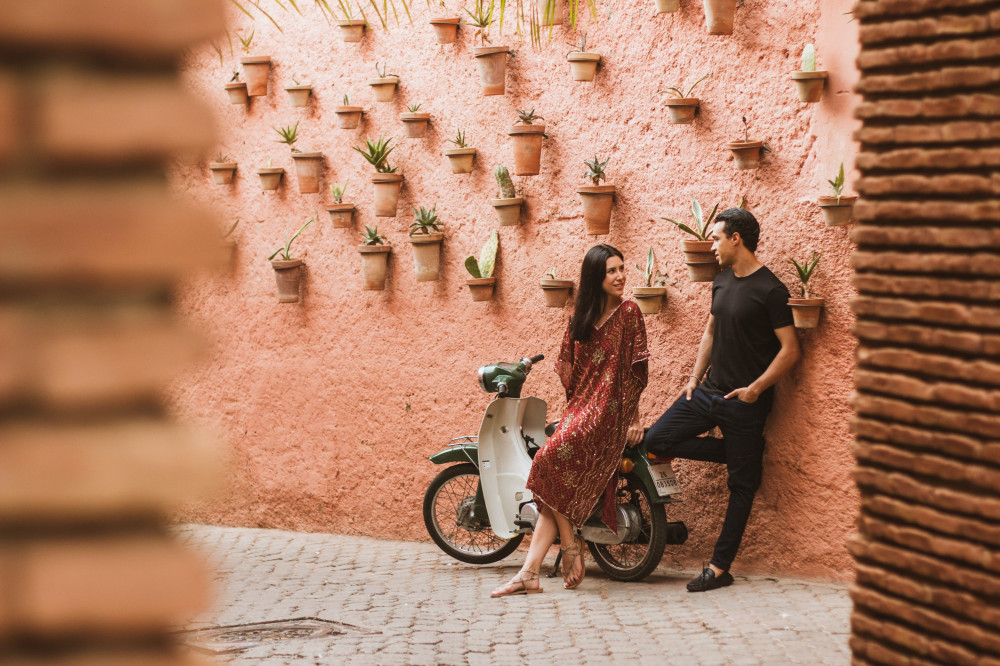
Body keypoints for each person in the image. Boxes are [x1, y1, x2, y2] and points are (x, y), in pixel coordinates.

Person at [644, 207, 800, 592]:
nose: (711, 245)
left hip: (745, 403)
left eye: (716, 238)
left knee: (741, 488)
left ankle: (719, 568)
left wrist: (756, 389)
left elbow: (791, 350)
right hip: (707, 392)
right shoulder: (721, 282)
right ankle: (739, 456)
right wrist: (694, 378)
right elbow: (710, 333)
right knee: (656, 440)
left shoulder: (771, 290)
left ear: (737, 239)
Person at [491, 244, 649, 597]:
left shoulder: (630, 313)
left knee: (545, 461)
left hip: (610, 413)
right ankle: (531, 572)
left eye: (622, 268)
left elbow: (635, 373)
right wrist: (576, 410)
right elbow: (570, 370)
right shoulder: (580, 317)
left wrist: (634, 419)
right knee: (552, 481)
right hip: (582, 409)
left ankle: (570, 547)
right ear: (596, 276)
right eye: (612, 270)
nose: (621, 276)